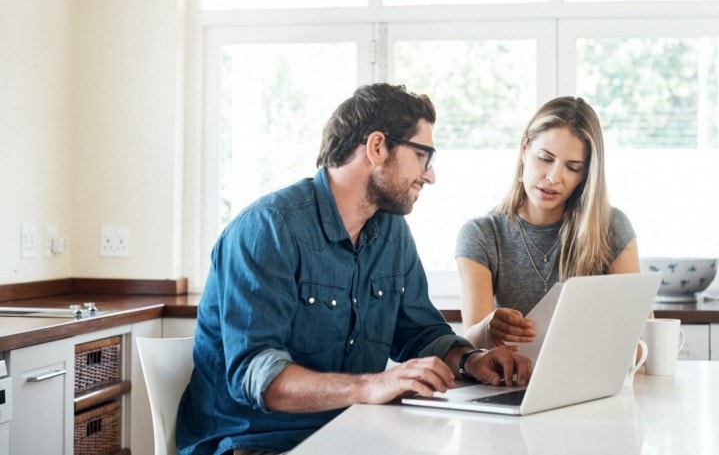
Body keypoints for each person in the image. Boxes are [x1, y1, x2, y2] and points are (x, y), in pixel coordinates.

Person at [176, 83, 532, 455]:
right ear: (377, 147)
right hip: (254, 441)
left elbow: (420, 331)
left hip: (353, 431)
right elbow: (257, 374)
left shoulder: (391, 231)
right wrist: (369, 386)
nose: (430, 175)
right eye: (422, 155)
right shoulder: (267, 229)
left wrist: (471, 361)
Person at [456, 96, 642, 349]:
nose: (554, 177)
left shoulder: (609, 227)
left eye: (572, 168)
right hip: (511, 381)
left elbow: (642, 333)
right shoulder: (482, 234)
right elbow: (473, 343)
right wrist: (489, 327)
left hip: (589, 382)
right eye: (545, 158)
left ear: (586, 175)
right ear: (524, 149)